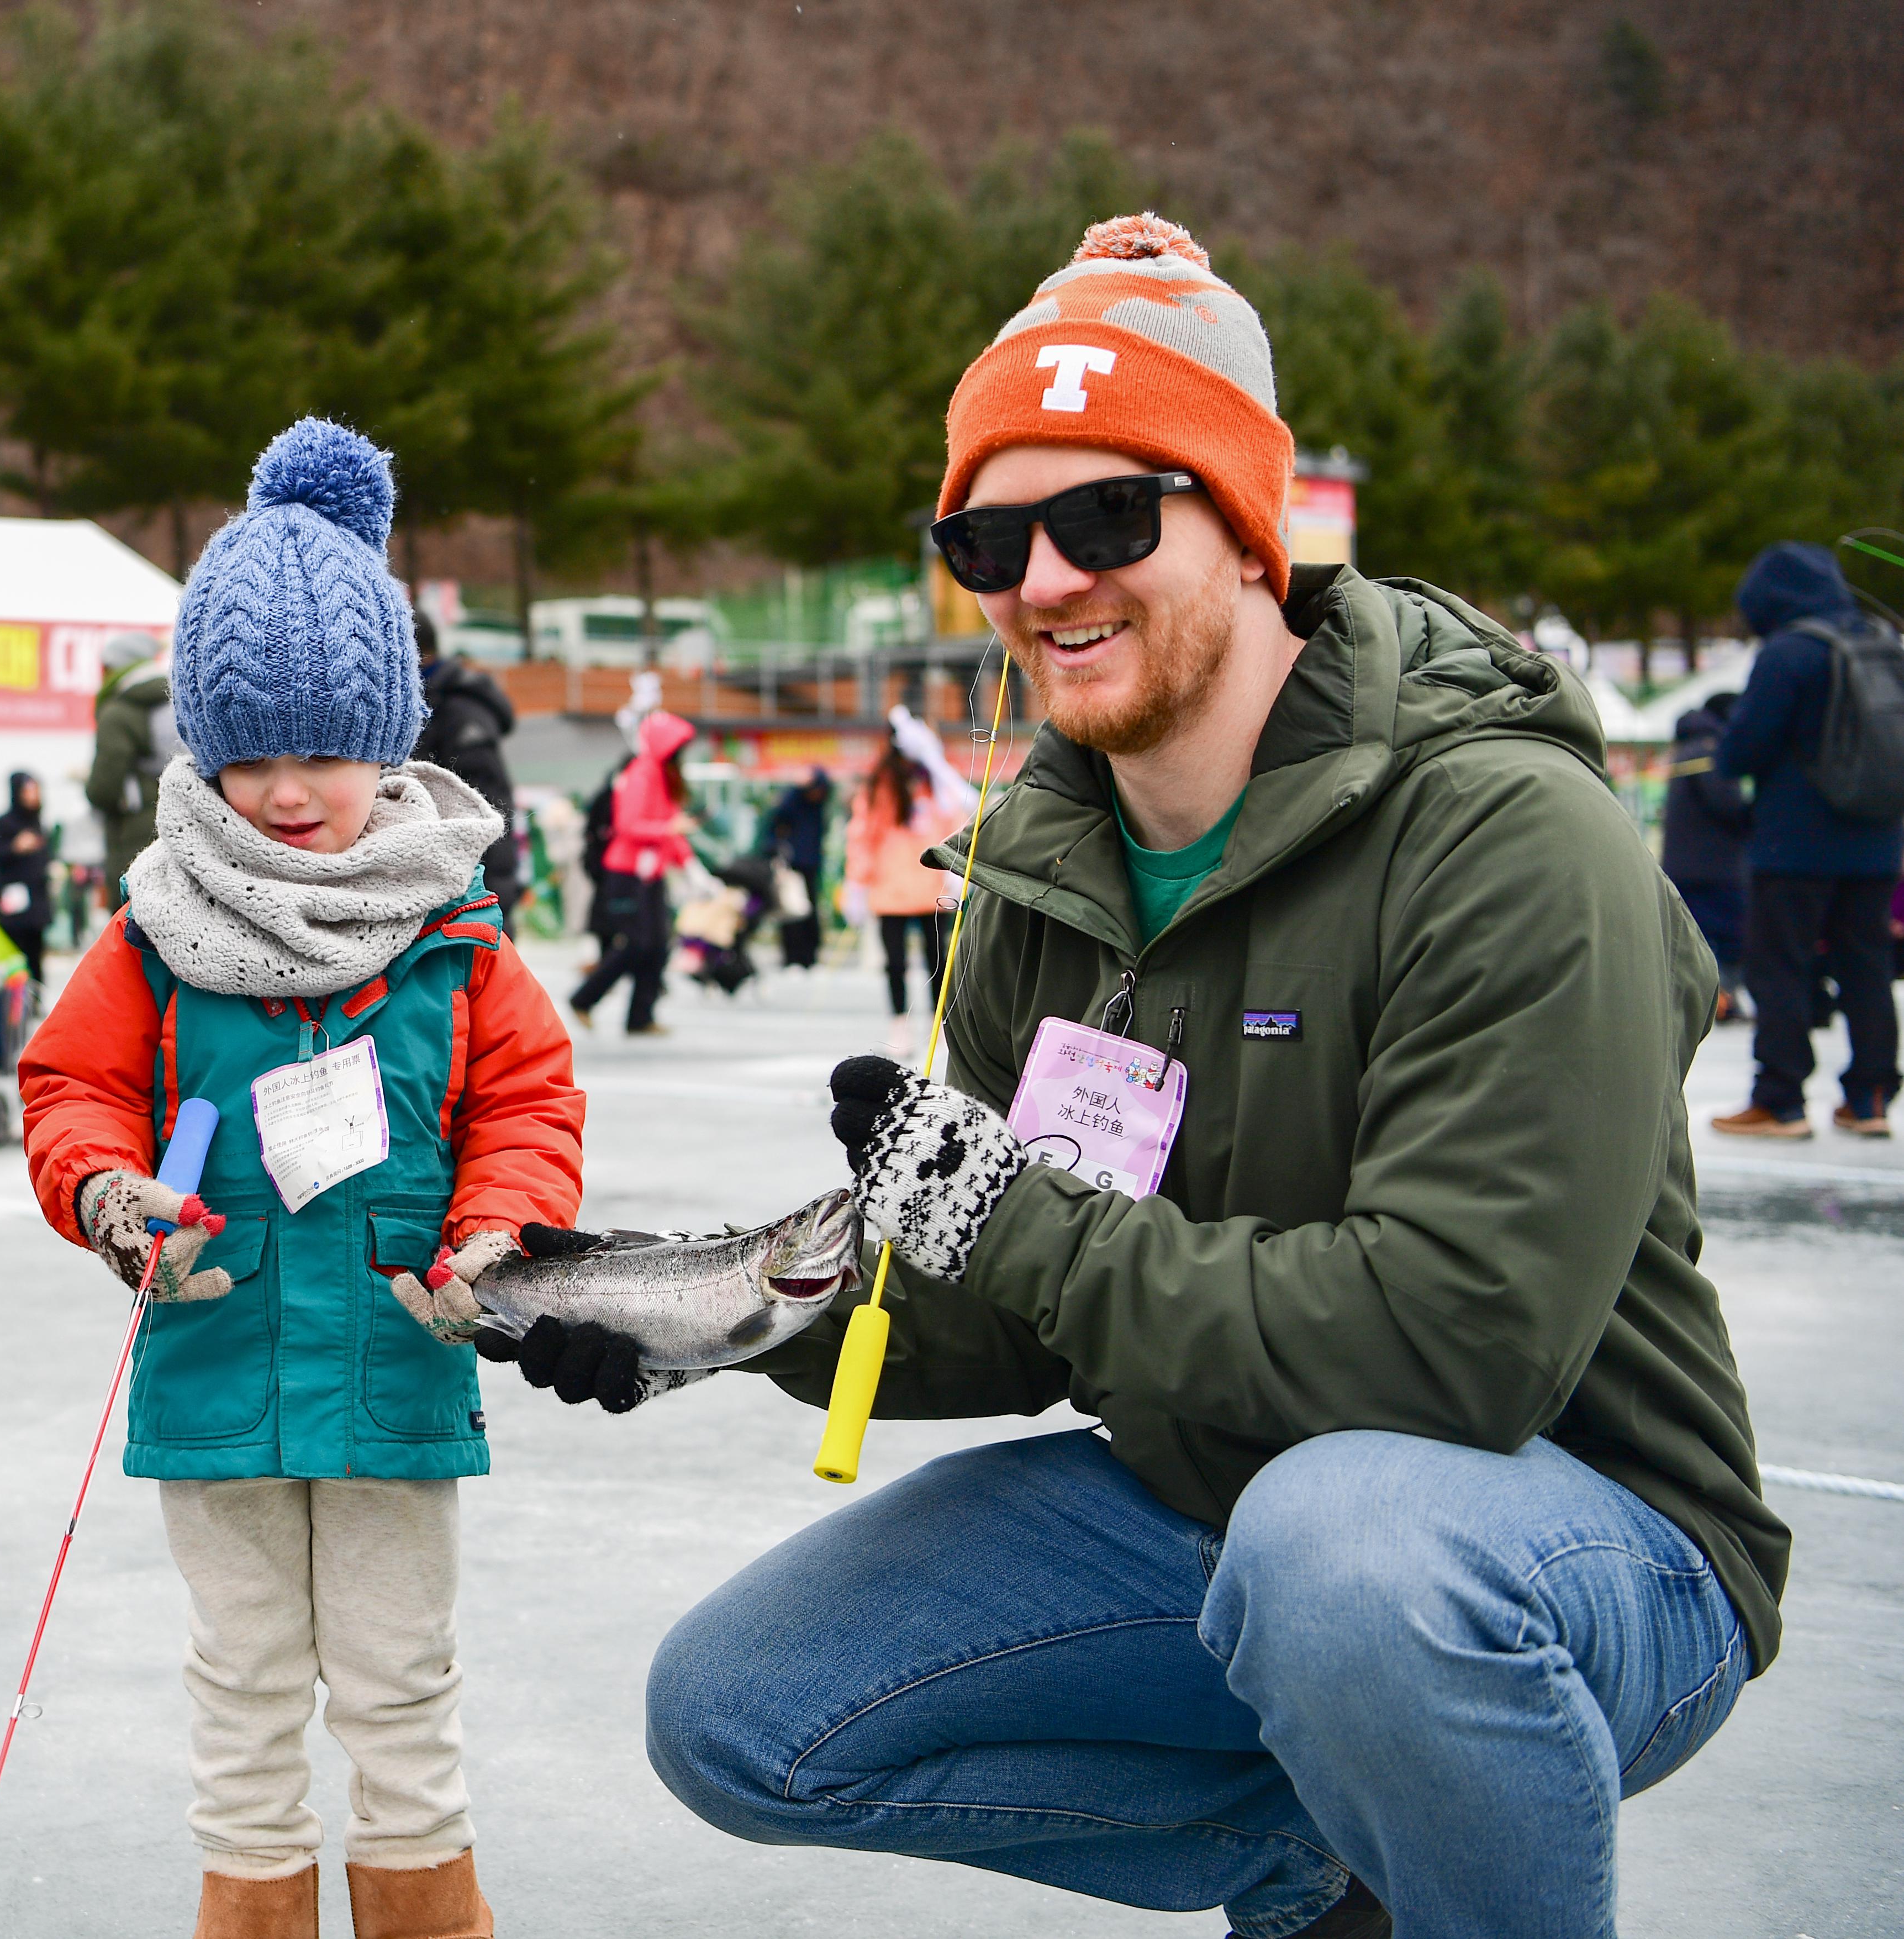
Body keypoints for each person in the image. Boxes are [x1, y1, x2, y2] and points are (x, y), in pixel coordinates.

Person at [500, 216, 1787, 1939]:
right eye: (988, 536)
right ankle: (1324, 1869)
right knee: (740, 1711)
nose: (1040, 580)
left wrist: (1012, 1221)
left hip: (1576, 1542)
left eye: (1108, 514)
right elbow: (1020, 1310)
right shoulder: (1044, 869)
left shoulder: (1509, 837)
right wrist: (730, 1327)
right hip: (1225, 1511)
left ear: (1247, 533)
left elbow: (1458, 1349)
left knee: (1340, 1554)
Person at [19, 420, 582, 1939]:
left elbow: (526, 1100)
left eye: (321, 750)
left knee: (401, 1677)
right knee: (245, 1676)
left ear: (388, 743)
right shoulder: (151, 931)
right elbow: (68, 1087)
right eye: (245, 753)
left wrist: (495, 1229)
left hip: (399, 1347)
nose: (282, 790)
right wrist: (109, 1194)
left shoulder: (456, 937)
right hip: (218, 1358)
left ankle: (426, 1909)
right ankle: (252, 1908)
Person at [1707, 542, 1900, 1137]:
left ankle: (1779, 1100)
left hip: (1793, 844)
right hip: (1876, 838)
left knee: (1780, 968)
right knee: (1866, 967)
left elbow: (1742, 749)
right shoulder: (1882, 641)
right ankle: (1867, 1099)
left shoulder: (1788, 653)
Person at [567, 708, 694, 1036]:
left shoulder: (662, 775)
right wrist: (669, 830)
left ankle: (640, 1016)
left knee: (658, 945)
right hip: (626, 874)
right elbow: (629, 825)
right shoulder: (642, 773)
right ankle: (585, 998)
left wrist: (690, 864)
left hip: (650, 874)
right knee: (636, 944)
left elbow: (671, 830)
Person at [840, 719, 970, 1040]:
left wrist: (955, 871)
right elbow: (863, 836)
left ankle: (938, 1022)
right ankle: (899, 1024)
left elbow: (955, 818)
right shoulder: (881, 786)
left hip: (931, 885)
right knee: (895, 963)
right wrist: (857, 883)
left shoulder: (933, 780)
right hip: (892, 888)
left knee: (937, 960)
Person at [411, 609, 523, 925]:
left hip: (470, 894)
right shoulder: (431, 701)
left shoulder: (459, 713)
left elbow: (489, 806)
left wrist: (493, 892)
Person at [1661, 690, 1752, 1020]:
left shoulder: (1689, 747)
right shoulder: (1710, 750)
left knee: (1694, 940)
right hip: (1715, 869)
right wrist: (1756, 815)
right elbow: (1727, 805)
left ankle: (1712, 1003)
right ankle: (1719, 1003)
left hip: (1686, 867)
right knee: (1734, 939)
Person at [86, 628, 177, 901]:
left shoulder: (119, 712)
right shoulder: (172, 701)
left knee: (131, 922)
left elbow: (104, 788)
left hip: (134, 835)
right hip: (177, 825)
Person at [0, 768, 56, 988]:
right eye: (28, 790)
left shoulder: (40, 825)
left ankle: (36, 998)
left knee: (36, 954)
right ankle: (14, 1005)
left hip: (37, 903)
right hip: (13, 904)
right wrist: (15, 847)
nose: (33, 796)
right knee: (13, 955)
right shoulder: (2, 825)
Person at [757, 767, 831, 970]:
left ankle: (810, 955)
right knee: (790, 911)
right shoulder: (791, 802)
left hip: (811, 865)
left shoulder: (818, 806)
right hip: (790, 866)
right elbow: (773, 830)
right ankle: (792, 956)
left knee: (810, 911)